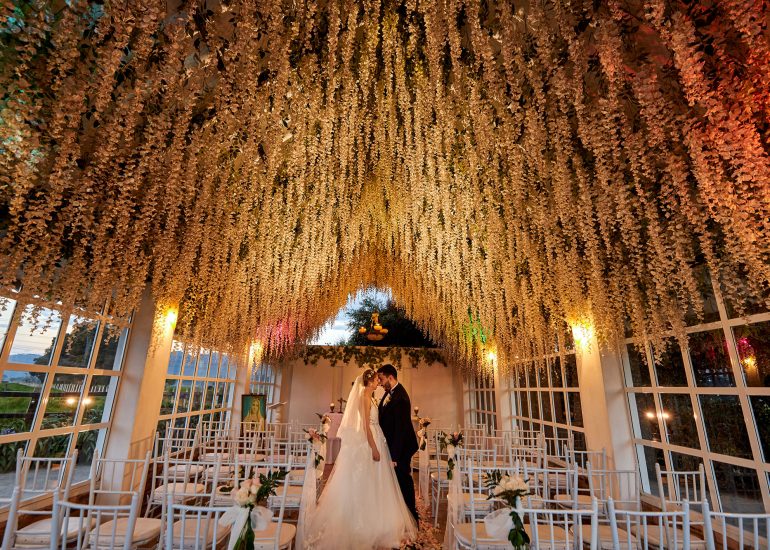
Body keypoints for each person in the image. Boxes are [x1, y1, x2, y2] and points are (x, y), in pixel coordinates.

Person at [304, 369, 417, 549]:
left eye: (380, 379)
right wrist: (373, 447)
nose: (379, 382)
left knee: (377, 482)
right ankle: (366, 523)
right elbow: (365, 425)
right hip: (372, 442)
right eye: (377, 379)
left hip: (379, 439)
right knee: (369, 481)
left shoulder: (372, 397)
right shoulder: (365, 396)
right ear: (370, 381)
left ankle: (379, 517)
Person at [377, 363, 419, 521]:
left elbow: (400, 429)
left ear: (390, 377)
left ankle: (412, 517)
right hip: (394, 445)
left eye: (382, 379)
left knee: (404, 481)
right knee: (397, 481)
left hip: (402, 448)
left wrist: (394, 456)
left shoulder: (400, 397)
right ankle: (401, 513)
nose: (380, 383)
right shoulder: (389, 393)